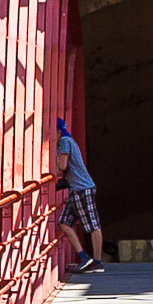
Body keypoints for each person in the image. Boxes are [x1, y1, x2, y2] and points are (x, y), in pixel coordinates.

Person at [55, 115, 104, 269]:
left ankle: (97, 262)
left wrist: (53, 172)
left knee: (93, 225)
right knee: (64, 223)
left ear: (57, 131)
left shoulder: (64, 142)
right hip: (77, 189)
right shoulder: (69, 141)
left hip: (81, 189)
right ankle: (84, 257)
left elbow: (62, 165)